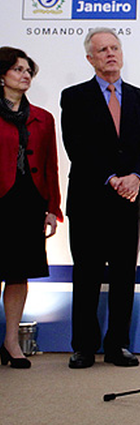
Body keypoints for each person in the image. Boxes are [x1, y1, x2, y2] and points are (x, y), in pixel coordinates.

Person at [61, 28, 140, 369]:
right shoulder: (73, 96)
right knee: (86, 273)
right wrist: (111, 177)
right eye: (102, 50)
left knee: (123, 274)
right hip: (90, 197)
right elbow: (76, 144)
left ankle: (118, 345)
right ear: (90, 58)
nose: (110, 54)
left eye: (115, 48)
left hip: (129, 198)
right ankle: (84, 347)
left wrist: (136, 177)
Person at [0, 47, 63, 369]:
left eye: (28, 71)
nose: (25, 75)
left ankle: (12, 341)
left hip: (27, 201)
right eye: (18, 70)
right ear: (2, 76)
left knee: (18, 273)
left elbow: (51, 165)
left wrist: (53, 207)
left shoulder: (42, 117)